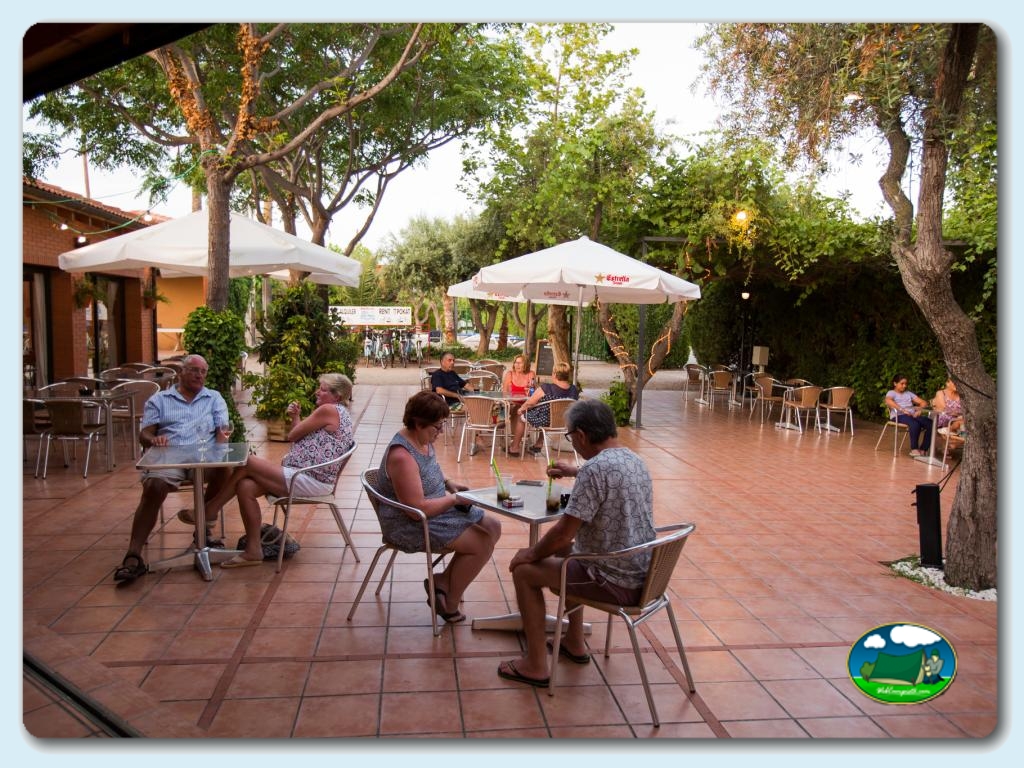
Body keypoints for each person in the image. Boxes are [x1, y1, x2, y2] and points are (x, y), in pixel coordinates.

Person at [497, 399, 655, 688]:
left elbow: (562, 533)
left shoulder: (595, 470)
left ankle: (535, 665)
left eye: (571, 436)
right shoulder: (634, 459)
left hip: (615, 581)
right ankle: (574, 642)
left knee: (525, 572)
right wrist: (574, 471)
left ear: (581, 436)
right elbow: (607, 477)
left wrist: (528, 554)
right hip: (643, 573)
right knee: (567, 552)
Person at [202, 374, 356, 567]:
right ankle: (253, 550)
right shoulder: (338, 412)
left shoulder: (328, 410)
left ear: (337, 396)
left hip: (309, 479)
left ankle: (211, 510)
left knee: (246, 461)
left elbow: (292, 435)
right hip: (304, 475)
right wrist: (295, 417)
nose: (317, 391)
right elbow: (299, 436)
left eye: (323, 389)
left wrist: (296, 422)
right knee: (245, 486)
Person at [374, 391, 501, 623]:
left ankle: (442, 582)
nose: (440, 432)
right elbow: (415, 510)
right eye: (437, 427)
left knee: (493, 526)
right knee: (481, 543)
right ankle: (448, 603)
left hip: (434, 508)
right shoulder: (402, 456)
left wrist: (448, 483)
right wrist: (453, 500)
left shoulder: (422, 439)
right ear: (418, 423)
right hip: (411, 522)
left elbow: (429, 469)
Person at [113, 354, 230, 583]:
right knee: (154, 486)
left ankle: (203, 529)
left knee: (224, 471)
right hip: (170, 457)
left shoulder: (214, 398)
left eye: (203, 371)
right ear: (181, 373)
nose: (199, 375)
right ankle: (133, 553)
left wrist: (221, 445)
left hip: (203, 458)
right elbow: (145, 433)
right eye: (194, 370)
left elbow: (222, 431)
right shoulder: (160, 400)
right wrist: (153, 440)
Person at [508, 361, 579, 455]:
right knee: (548, 414)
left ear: (554, 374)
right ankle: (539, 443)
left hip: (546, 420)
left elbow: (530, 402)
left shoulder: (547, 388)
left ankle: (515, 447)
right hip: (565, 421)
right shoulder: (574, 389)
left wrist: (521, 409)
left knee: (522, 417)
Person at [885, 374, 933, 456]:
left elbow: (923, 402)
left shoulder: (908, 393)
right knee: (915, 424)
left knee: (931, 424)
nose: (904, 386)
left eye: (905, 384)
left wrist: (920, 410)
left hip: (912, 415)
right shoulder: (891, 393)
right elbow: (888, 401)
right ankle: (914, 449)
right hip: (898, 416)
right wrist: (902, 410)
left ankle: (923, 449)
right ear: (895, 383)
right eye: (902, 383)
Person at [502, 354, 536, 424]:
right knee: (516, 408)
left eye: (520, 363)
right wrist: (511, 402)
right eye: (516, 362)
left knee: (520, 409)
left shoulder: (531, 374)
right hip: (512, 403)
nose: (517, 365)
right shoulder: (510, 374)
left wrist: (530, 389)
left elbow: (533, 393)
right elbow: (504, 393)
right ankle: (518, 434)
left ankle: (517, 434)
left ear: (526, 364)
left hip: (526, 404)